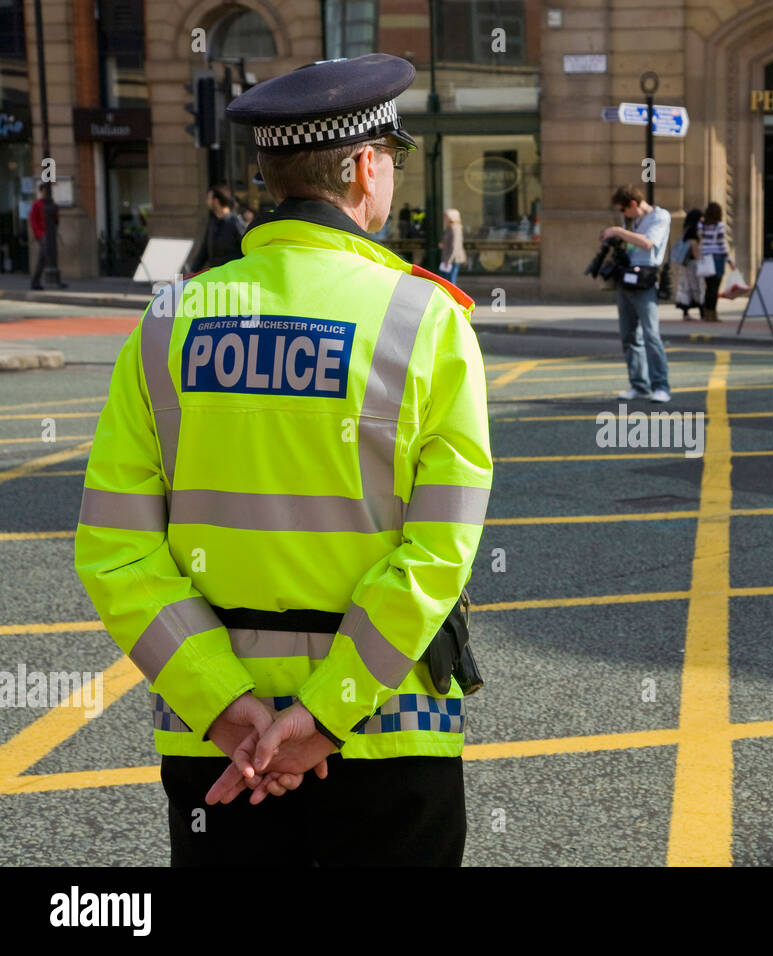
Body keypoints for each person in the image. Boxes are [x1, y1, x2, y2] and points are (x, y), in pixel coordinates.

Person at [74, 53, 493, 867]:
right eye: (393, 160)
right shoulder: (427, 323)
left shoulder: (169, 323)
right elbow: (438, 554)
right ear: (366, 166)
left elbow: (114, 550)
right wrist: (327, 716)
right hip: (388, 742)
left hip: (221, 755)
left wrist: (228, 709)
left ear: (270, 174)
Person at [603, 184, 671, 402]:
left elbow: (648, 243)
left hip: (645, 281)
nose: (622, 215)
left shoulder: (660, 217)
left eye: (623, 210)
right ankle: (639, 384)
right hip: (626, 279)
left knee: (651, 335)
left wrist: (617, 231)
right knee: (629, 335)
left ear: (633, 204)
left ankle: (661, 386)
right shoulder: (631, 221)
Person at [187, 184, 247, 273]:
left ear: (216, 200)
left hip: (233, 276)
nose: (207, 201)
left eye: (208, 198)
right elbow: (204, 251)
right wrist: (192, 271)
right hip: (217, 276)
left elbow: (246, 248)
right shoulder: (212, 223)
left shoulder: (235, 222)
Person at [697, 201, 734, 322]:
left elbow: (699, 237)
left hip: (706, 257)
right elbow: (722, 244)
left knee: (708, 288)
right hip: (717, 257)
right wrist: (729, 261)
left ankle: (707, 314)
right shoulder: (719, 225)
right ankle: (712, 314)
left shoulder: (701, 225)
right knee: (715, 288)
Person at [673, 207, 705, 320]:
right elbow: (693, 245)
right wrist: (699, 259)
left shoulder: (686, 229)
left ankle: (686, 313)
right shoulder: (694, 230)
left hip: (685, 263)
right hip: (692, 263)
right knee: (697, 287)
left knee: (685, 287)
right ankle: (701, 311)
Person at [29, 183, 64, 289]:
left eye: (47, 191)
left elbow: (56, 219)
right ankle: (35, 281)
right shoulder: (37, 204)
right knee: (43, 256)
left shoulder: (51, 203)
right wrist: (38, 233)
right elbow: (33, 220)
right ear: (41, 192)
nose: (46, 193)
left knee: (52, 256)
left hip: (50, 234)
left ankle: (54, 280)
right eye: (44, 191)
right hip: (42, 235)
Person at [438, 208, 467, 285]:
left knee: (450, 282)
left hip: (452, 259)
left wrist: (448, 260)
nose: (444, 218)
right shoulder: (449, 227)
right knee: (445, 281)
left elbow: (455, 246)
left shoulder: (455, 228)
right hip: (447, 258)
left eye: (446, 216)